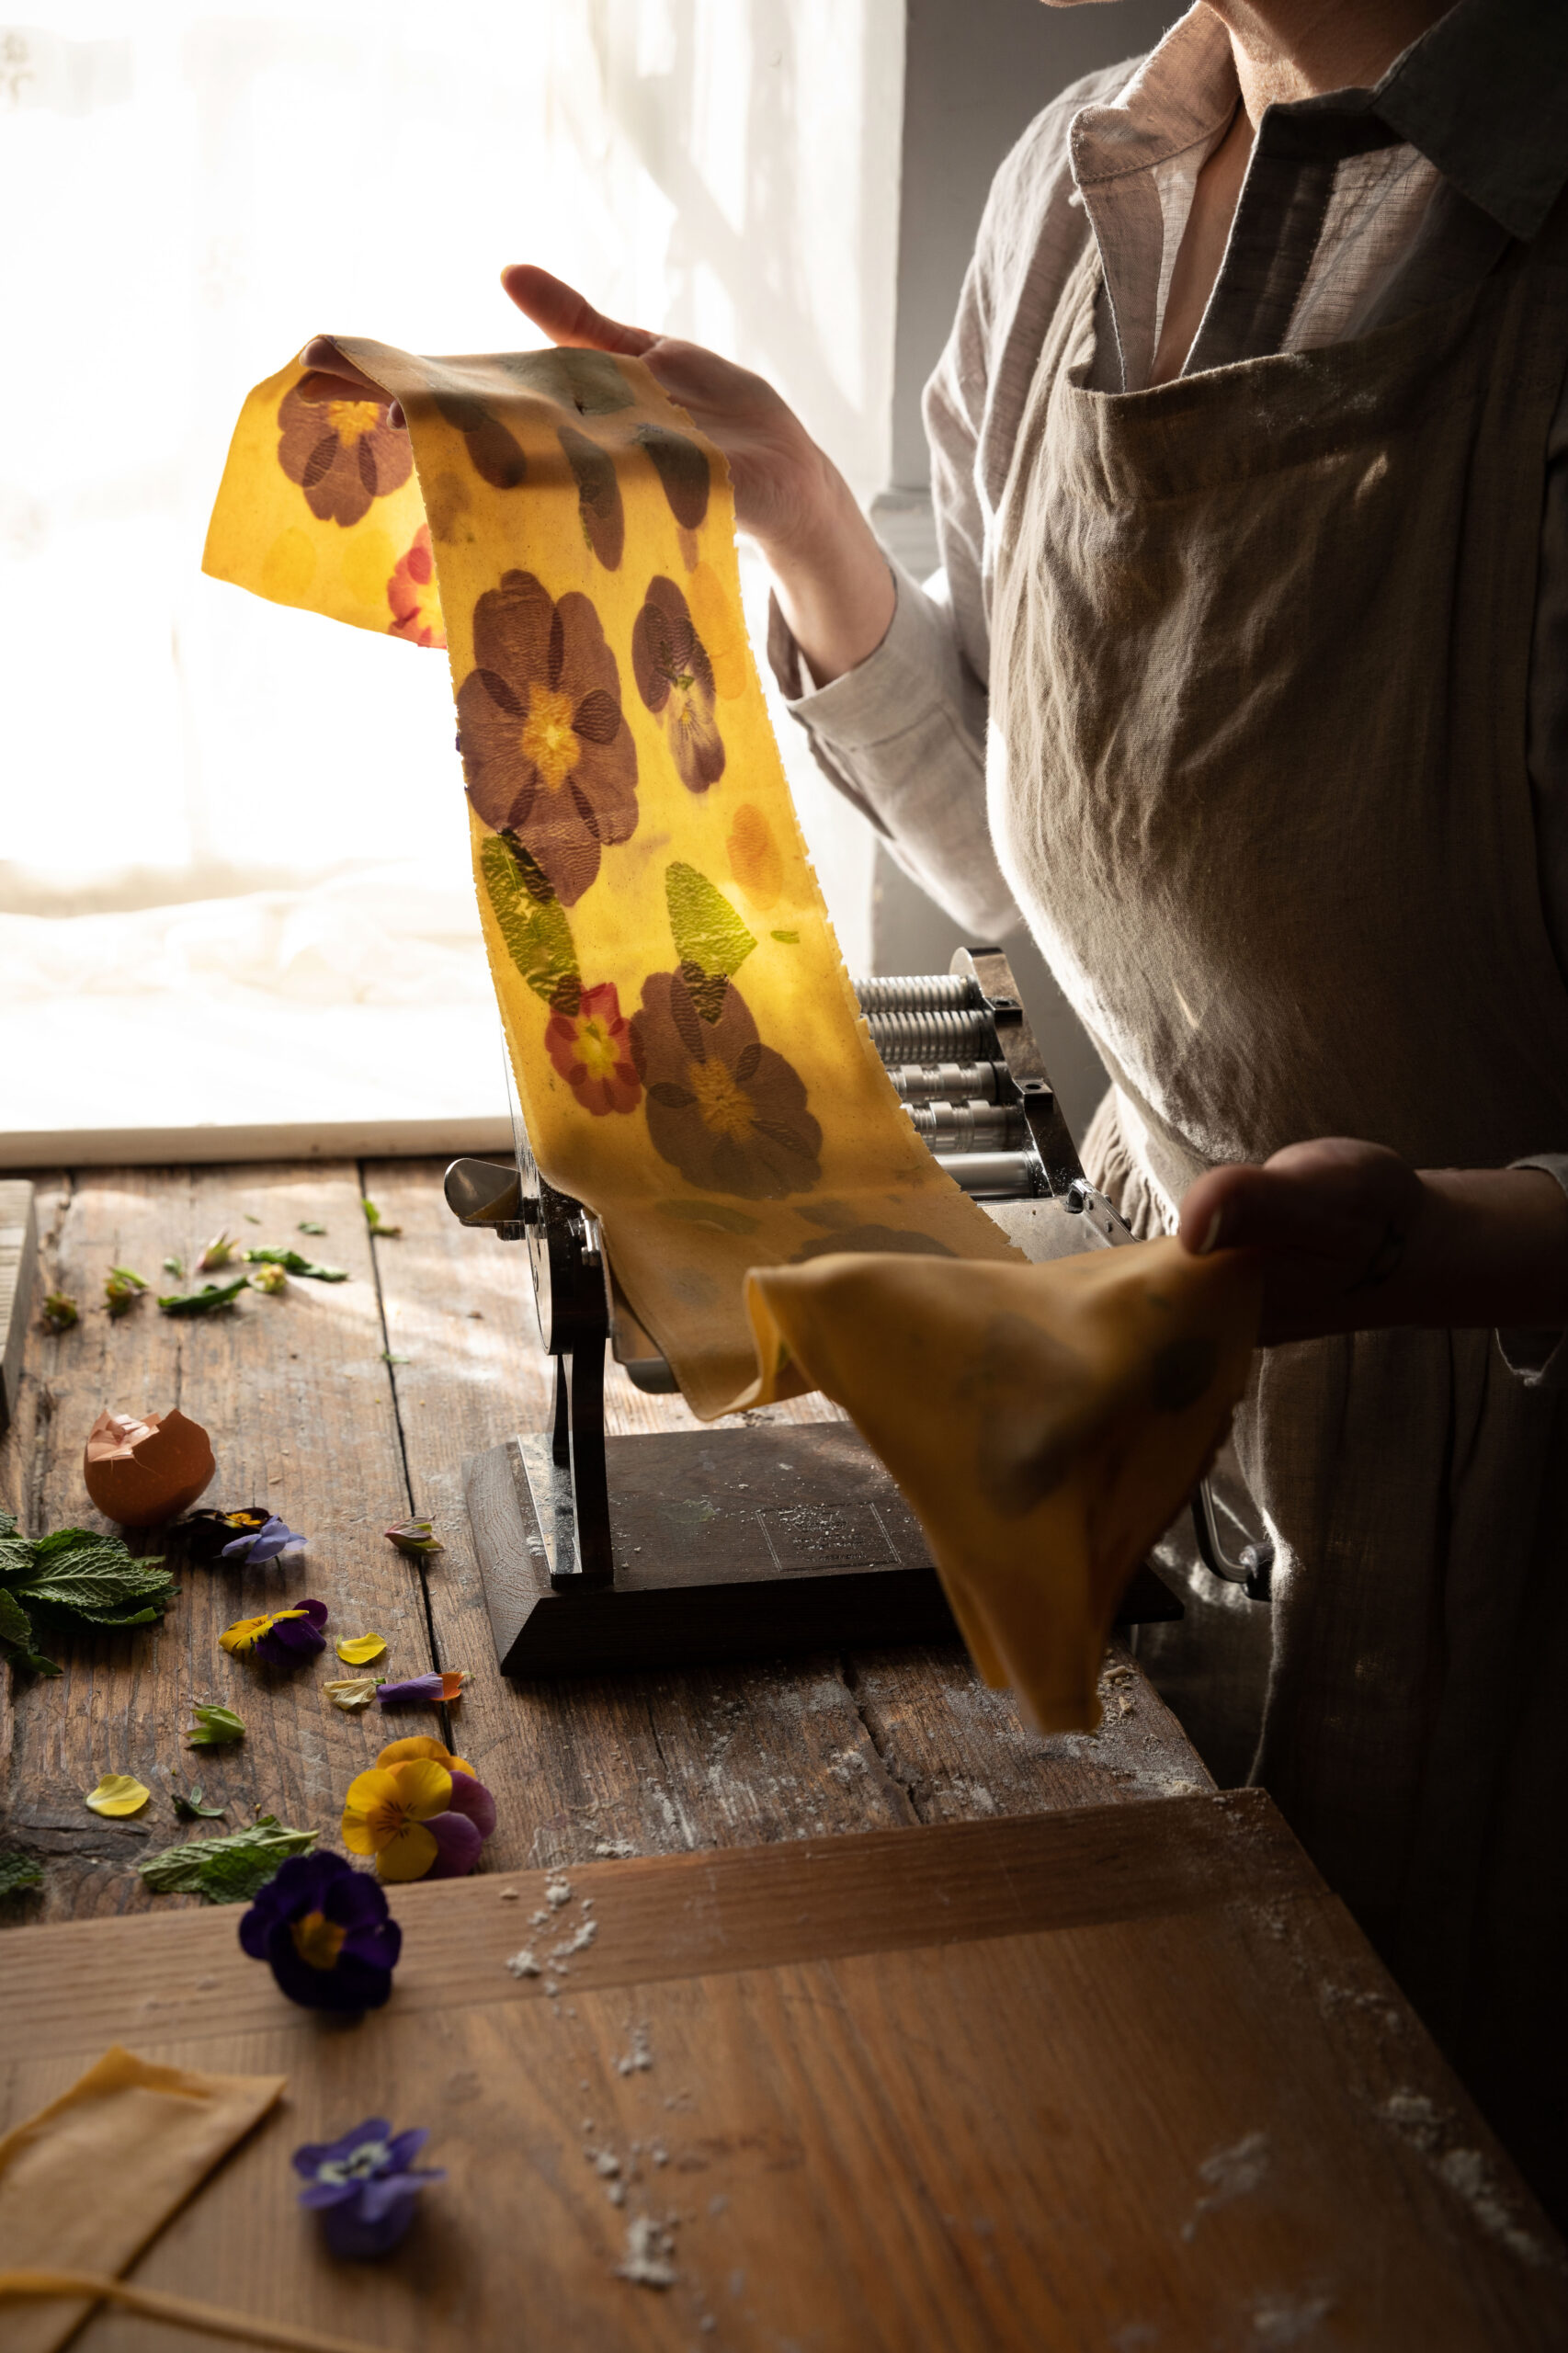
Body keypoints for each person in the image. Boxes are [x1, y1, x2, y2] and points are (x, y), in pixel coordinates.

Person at [303, 0, 1568, 2216]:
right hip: (1168, 1422)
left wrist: (1462, 1237)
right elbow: (1035, 854)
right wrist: (793, 510)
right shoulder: (1080, 187)